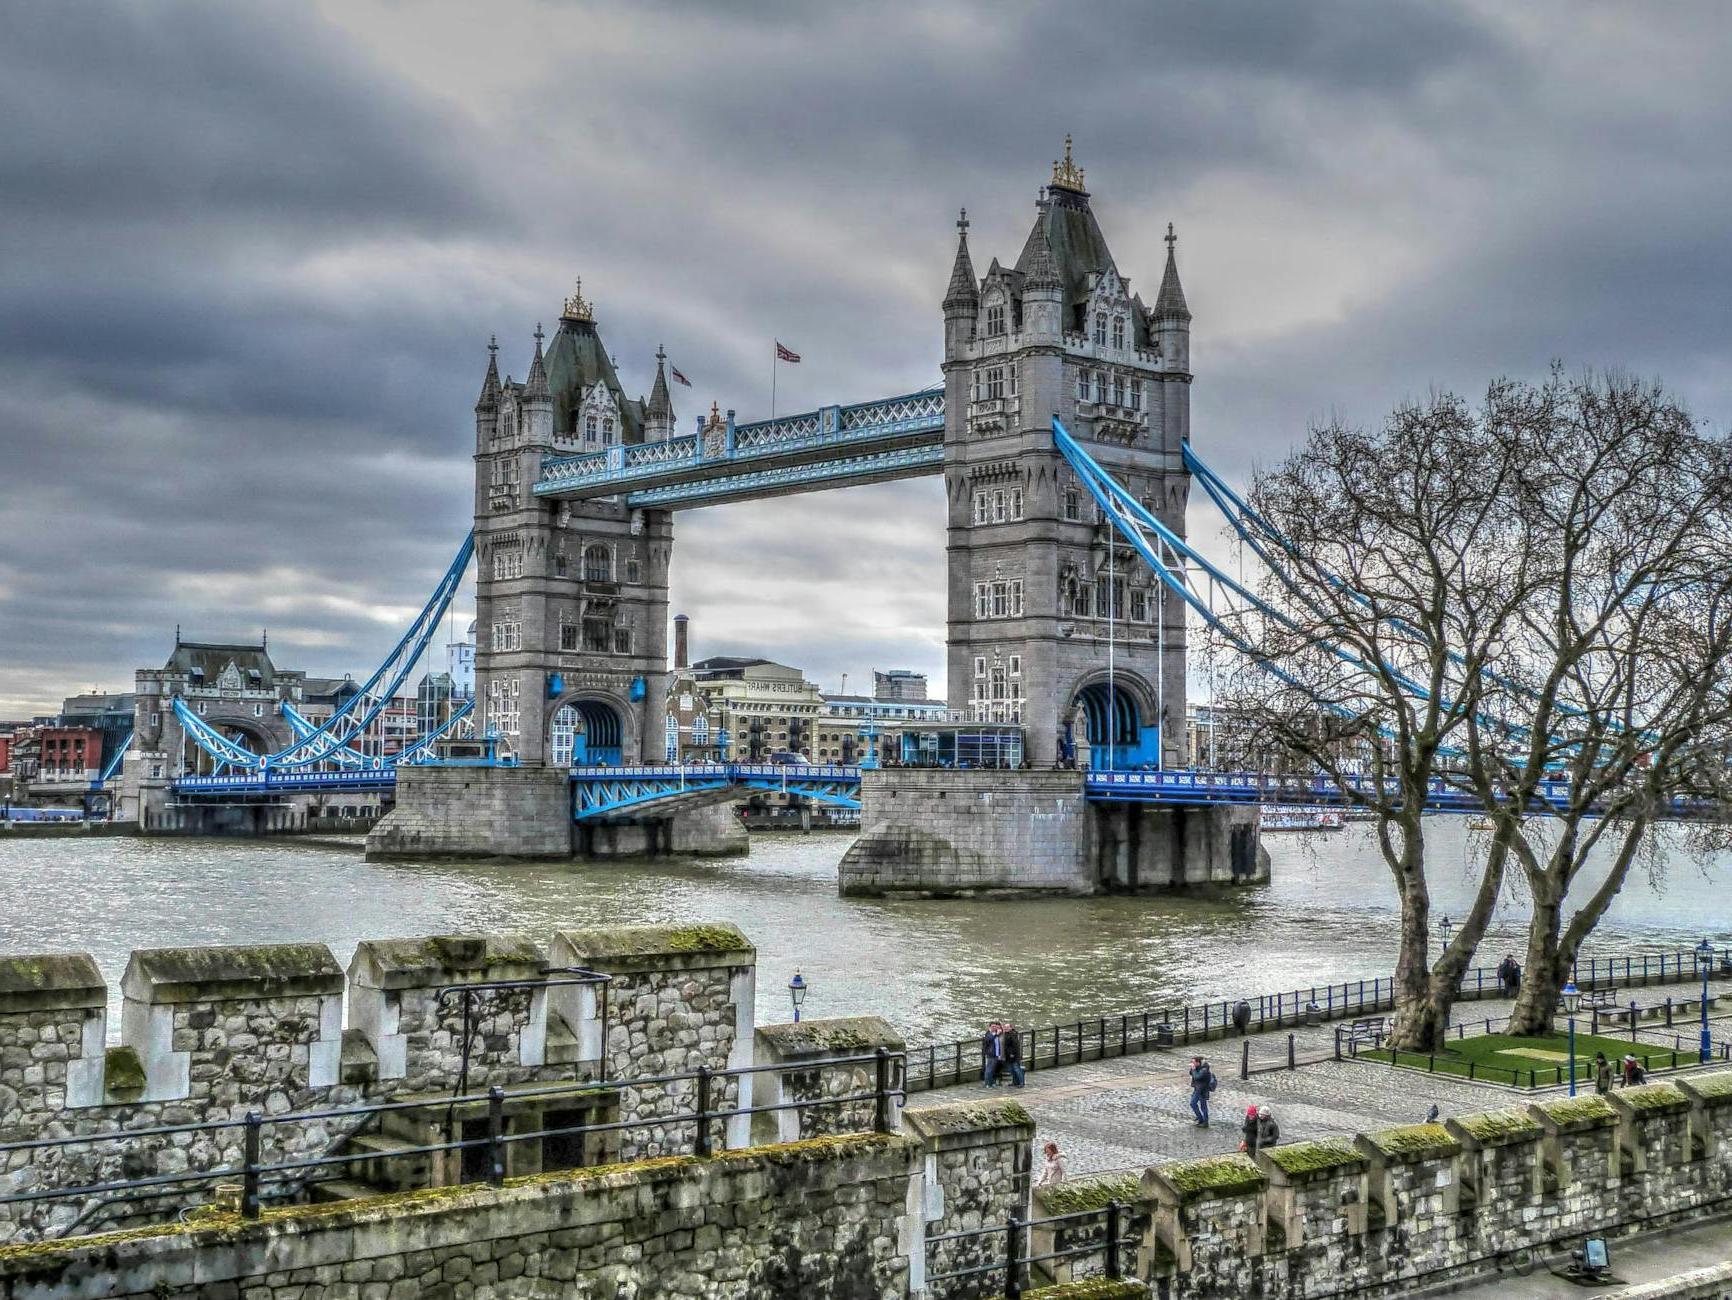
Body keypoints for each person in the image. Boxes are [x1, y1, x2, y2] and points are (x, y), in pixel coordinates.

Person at [1188, 1055, 1216, 1127]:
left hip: (1202, 1089)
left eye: (1193, 1062)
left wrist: (1194, 1069)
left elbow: (1197, 1077)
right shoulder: (1198, 1067)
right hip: (1197, 1088)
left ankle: (1205, 1122)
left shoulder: (1204, 1070)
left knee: (1203, 1106)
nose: (1192, 1063)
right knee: (1193, 1103)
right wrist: (1193, 1069)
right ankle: (1200, 1118)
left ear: (1198, 1062)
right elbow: (1191, 1073)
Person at [1001, 1020, 1025, 1087]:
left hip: (1013, 1055)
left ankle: (1021, 1082)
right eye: (1005, 1027)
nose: (1006, 1028)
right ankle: (1015, 1082)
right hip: (1008, 1055)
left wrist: (1012, 1054)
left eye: (1007, 1027)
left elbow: (1015, 1045)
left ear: (1011, 1028)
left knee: (1017, 1069)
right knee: (1012, 1070)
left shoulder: (1012, 1034)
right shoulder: (1006, 1034)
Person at [981, 1022, 1003, 1087]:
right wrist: (996, 1034)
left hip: (996, 1054)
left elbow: (998, 1045)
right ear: (990, 1027)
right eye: (993, 1026)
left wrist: (999, 1053)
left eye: (995, 1026)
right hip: (991, 1054)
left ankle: (991, 1082)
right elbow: (989, 1040)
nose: (994, 1028)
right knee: (989, 1069)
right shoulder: (988, 1034)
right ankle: (987, 1083)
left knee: (992, 1069)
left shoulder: (996, 1034)